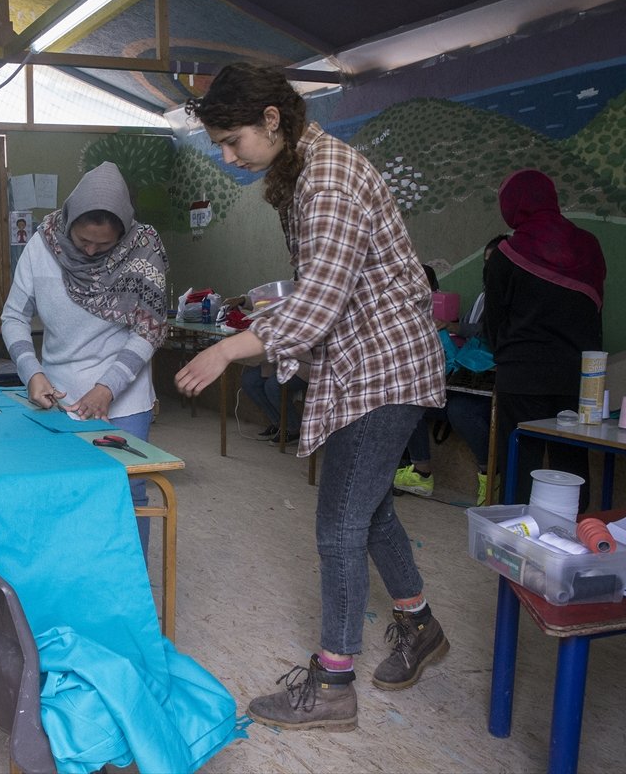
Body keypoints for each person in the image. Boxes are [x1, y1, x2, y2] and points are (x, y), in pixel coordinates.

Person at [179, 62, 448, 732]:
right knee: (371, 509)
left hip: (382, 370)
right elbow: (326, 289)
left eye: (232, 140)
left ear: (272, 119)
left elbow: (320, 303)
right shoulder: (304, 172)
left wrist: (226, 349)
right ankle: (419, 625)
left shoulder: (328, 177)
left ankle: (333, 682)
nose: (227, 155)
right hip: (369, 365)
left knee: (339, 524)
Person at [1, 161, 168, 554]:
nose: (91, 251)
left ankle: (127, 584)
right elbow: (13, 317)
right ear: (69, 221)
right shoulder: (42, 246)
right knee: (63, 489)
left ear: (122, 233)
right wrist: (32, 373)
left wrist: (107, 388)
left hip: (124, 395)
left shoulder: (144, 249)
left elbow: (149, 329)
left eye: (104, 245)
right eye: (83, 241)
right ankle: (75, 573)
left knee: (127, 492)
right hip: (57, 395)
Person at [484, 169, 605, 510]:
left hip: (521, 377)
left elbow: (492, 323)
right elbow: (595, 313)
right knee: (571, 464)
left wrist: (506, 354)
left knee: (520, 465)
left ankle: (515, 537)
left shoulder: (507, 254)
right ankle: (573, 535)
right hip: (575, 376)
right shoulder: (589, 247)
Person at [394, 237, 502, 504]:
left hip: (490, 386)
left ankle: (490, 477)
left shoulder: (512, 301)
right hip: (465, 378)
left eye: (495, 263)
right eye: (486, 262)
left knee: (461, 411)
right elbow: (467, 334)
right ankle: (421, 472)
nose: (489, 269)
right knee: (412, 401)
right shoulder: (483, 297)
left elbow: (491, 333)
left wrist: (455, 327)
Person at [241, 364, 308, 443]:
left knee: (272, 385)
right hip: (279, 363)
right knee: (249, 381)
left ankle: (294, 429)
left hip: (304, 366)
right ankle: (280, 424)